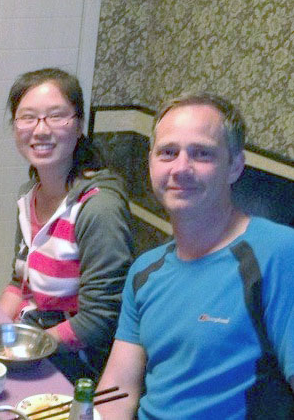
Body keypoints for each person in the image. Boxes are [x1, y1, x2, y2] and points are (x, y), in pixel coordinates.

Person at [96, 93, 294, 419]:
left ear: (234, 166)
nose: (181, 168)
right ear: (150, 163)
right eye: (168, 153)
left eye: (201, 154)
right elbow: (116, 394)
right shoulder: (145, 271)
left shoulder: (278, 254)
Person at [0, 68, 134, 383]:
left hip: (77, 364)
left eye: (57, 117)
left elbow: (99, 321)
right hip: (35, 337)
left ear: (79, 125)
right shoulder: (28, 197)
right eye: (27, 117)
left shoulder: (98, 208)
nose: (40, 130)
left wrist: (23, 346)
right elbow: (20, 284)